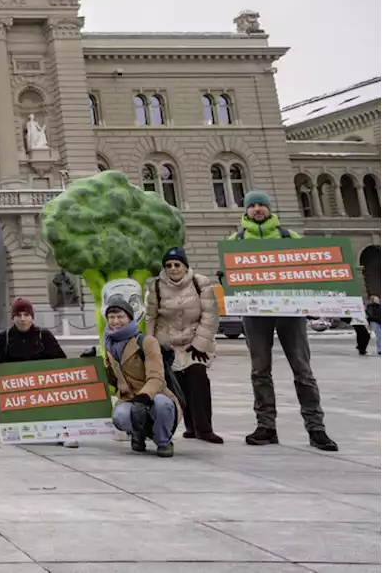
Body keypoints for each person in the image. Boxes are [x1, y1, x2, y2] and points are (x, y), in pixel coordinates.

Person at [228, 191, 338, 451]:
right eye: (252, 206)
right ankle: (266, 426)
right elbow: (230, 275)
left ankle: (316, 428)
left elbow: (310, 271)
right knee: (260, 370)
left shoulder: (290, 237)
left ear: (269, 209)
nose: (257, 210)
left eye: (261, 206)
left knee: (302, 370)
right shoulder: (236, 240)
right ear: (246, 210)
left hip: (291, 311)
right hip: (255, 312)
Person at [146, 248, 222, 443]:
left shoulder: (200, 282)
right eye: (168, 265)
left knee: (198, 379)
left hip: (194, 342)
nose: (173, 268)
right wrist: (150, 344)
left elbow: (210, 314)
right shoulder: (156, 286)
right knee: (178, 386)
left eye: (176, 264)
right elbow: (151, 317)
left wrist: (200, 344)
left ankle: (204, 428)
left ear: (185, 266)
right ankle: (190, 427)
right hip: (168, 344)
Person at [0, 298, 74, 446]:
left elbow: (61, 363)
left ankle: (60, 432)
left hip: (44, 393)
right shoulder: (3, 338)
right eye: (18, 315)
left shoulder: (44, 336)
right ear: (12, 317)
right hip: (17, 398)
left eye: (26, 315)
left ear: (32, 316)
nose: (23, 319)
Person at [104, 297, 179, 457]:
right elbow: (112, 380)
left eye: (120, 317)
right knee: (120, 416)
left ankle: (163, 441)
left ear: (130, 318)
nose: (115, 321)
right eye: (111, 317)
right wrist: (92, 364)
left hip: (154, 393)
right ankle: (138, 433)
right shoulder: (109, 344)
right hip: (129, 397)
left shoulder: (146, 342)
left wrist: (143, 397)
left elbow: (157, 378)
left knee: (162, 405)